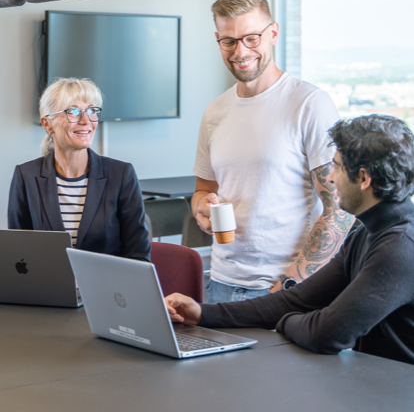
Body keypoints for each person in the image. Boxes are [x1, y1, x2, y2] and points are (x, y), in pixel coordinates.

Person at [167, 114, 414, 365]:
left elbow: (327, 334)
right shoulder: (368, 233)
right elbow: (297, 300)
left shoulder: (400, 248)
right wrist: (202, 313)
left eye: (337, 167)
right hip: (372, 378)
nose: (330, 177)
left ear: (363, 178)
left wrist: (284, 322)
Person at [192, 0, 353, 303]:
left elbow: (340, 208)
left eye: (252, 38)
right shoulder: (215, 111)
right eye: (229, 41)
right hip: (220, 284)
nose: (241, 51)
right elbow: (203, 190)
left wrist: (292, 282)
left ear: (273, 33)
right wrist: (201, 208)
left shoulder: (309, 103)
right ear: (218, 40)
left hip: (285, 288)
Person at [8, 78, 151, 261]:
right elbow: (19, 255)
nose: (86, 120)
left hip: (106, 280)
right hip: (48, 280)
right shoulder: (26, 176)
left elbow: (138, 256)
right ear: (47, 124)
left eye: (91, 111)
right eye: (73, 112)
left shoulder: (121, 174)